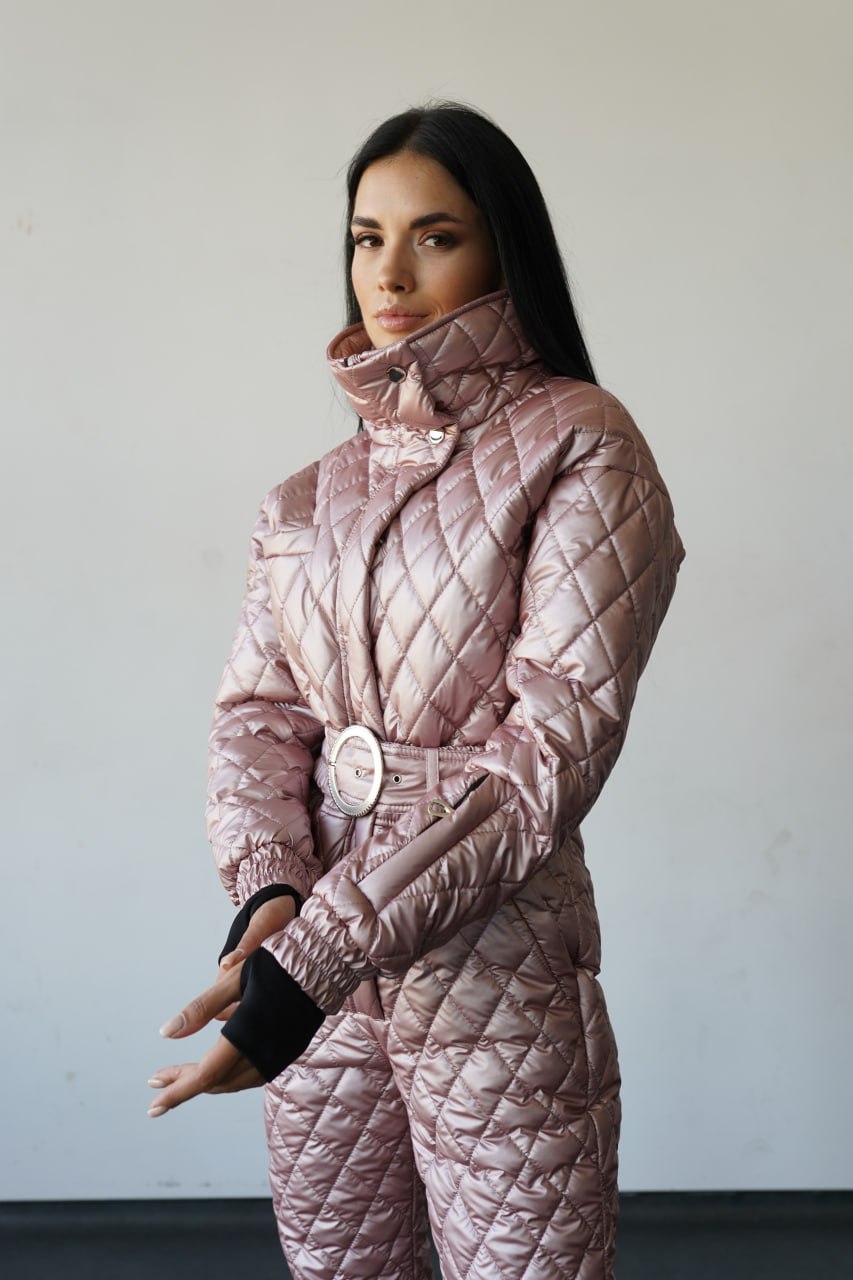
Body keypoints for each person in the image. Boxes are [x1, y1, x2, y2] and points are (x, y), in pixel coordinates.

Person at [148, 103, 684, 1280]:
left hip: (495, 967)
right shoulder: (307, 495)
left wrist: (308, 964)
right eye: (365, 237)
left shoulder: (582, 444)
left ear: (503, 248)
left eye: (434, 236)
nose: (387, 273)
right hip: (313, 972)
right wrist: (269, 892)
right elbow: (257, 718)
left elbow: (546, 752)